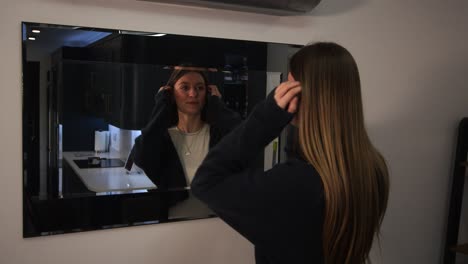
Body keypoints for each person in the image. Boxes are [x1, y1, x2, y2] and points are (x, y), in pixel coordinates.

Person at [191, 42, 390, 264]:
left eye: (288, 84)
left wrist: (266, 118)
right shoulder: (373, 167)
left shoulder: (295, 184)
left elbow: (206, 181)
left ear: (301, 94)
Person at [132, 65, 242, 219]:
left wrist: (218, 106)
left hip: (220, 225)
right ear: (171, 94)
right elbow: (140, 156)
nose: (193, 94)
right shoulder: (162, 138)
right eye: (185, 87)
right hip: (173, 228)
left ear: (208, 93)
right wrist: (161, 106)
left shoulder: (219, 134)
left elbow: (245, 140)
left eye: (200, 88)